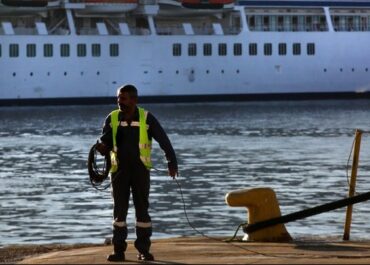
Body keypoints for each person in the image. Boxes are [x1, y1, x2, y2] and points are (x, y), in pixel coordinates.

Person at [96, 84, 178, 262]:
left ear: (134, 100)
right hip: (119, 172)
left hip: (140, 171)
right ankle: (119, 251)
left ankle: (143, 250)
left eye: (123, 98)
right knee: (119, 212)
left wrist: (171, 162)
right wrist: (102, 147)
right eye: (118, 98)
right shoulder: (112, 118)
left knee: (142, 211)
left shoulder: (146, 118)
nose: (119, 102)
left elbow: (164, 140)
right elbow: (106, 140)